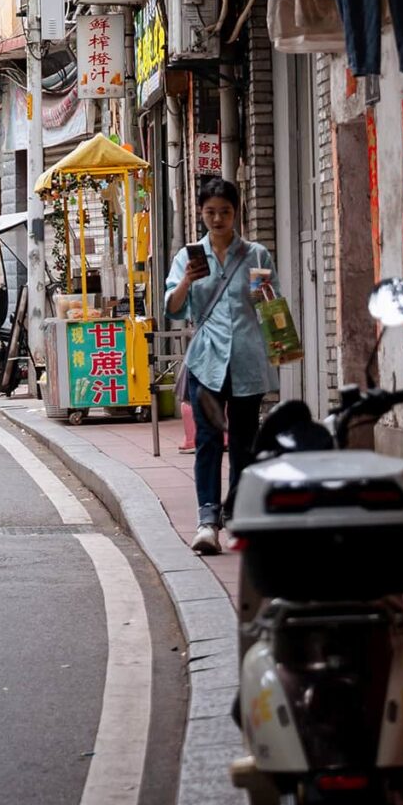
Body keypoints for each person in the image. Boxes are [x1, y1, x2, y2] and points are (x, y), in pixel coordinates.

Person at [165, 174, 279, 555]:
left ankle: (240, 514)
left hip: (247, 360)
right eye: (211, 212)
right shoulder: (188, 257)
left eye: (225, 212)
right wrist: (184, 282)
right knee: (209, 442)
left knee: (245, 445)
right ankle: (207, 521)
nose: (217, 219)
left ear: (237, 213)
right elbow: (175, 309)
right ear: (201, 213)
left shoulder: (256, 255)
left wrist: (279, 338)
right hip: (207, 361)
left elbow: (269, 306)